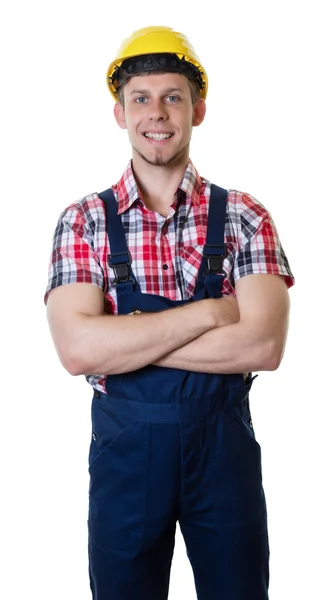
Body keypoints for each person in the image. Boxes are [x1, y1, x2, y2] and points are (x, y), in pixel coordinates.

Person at [45, 25, 294, 600]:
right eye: (141, 98)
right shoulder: (82, 221)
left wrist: (126, 337)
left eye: (173, 96)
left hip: (223, 456)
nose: (156, 113)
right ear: (119, 112)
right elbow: (77, 351)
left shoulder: (245, 216)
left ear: (198, 109)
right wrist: (212, 311)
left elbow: (263, 347)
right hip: (125, 462)